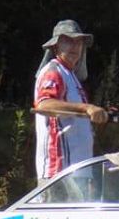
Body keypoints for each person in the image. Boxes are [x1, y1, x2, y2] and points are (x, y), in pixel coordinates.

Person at [34, 19, 109, 184]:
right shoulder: (53, 71)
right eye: (68, 41)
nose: (74, 46)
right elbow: (44, 105)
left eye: (78, 42)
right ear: (56, 46)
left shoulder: (70, 75)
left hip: (77, 171)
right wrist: (87, 108)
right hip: (60, 172)